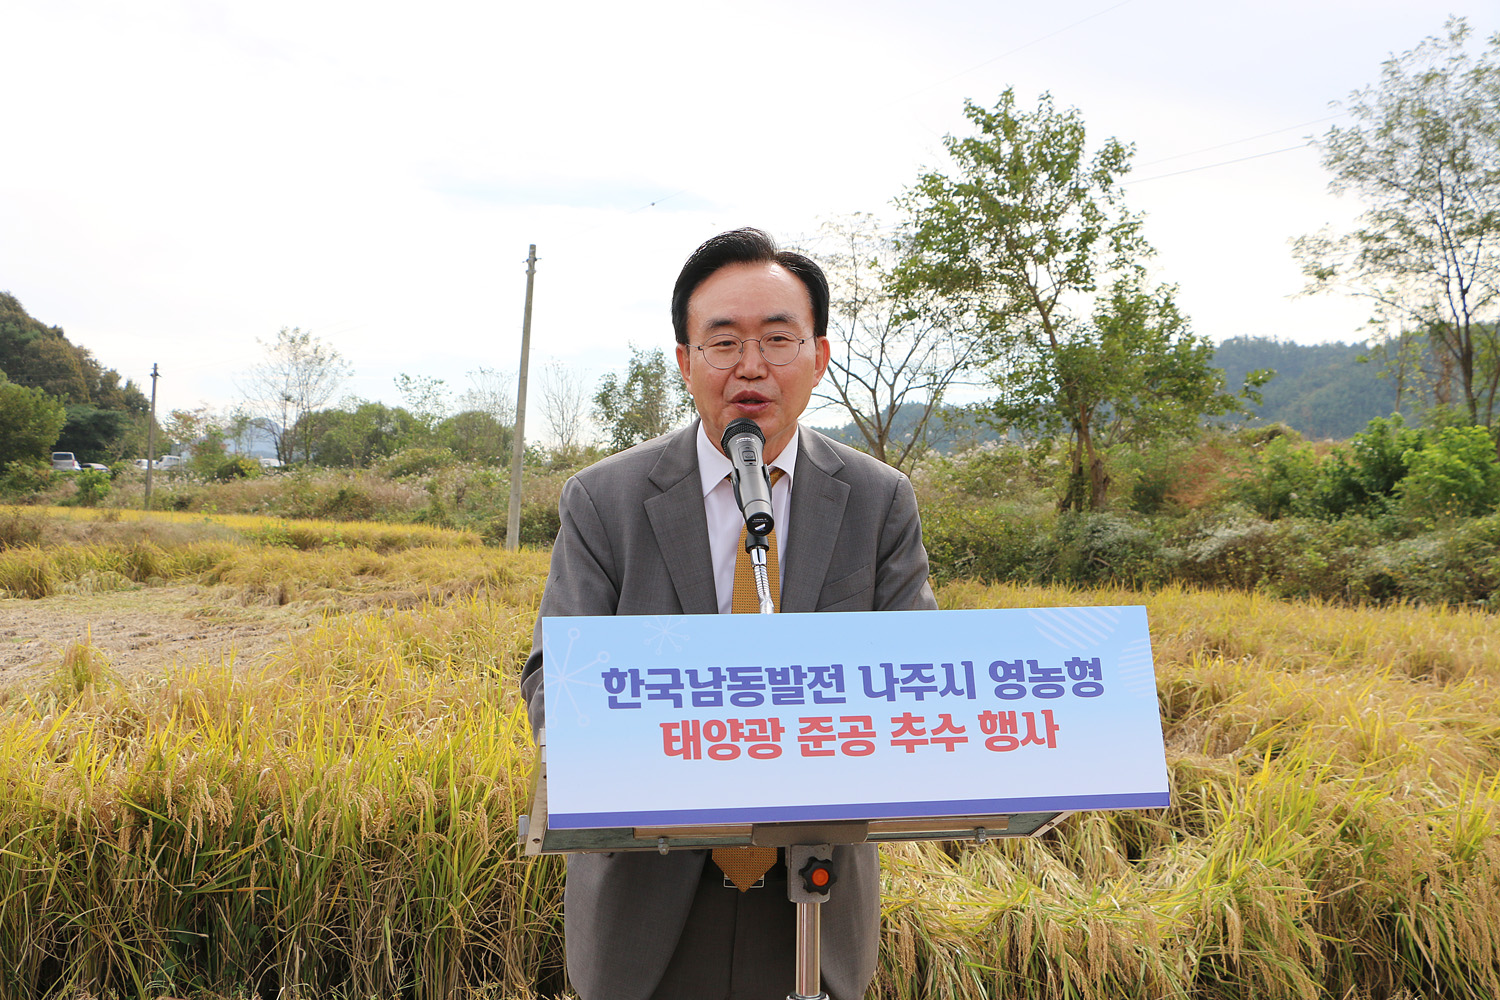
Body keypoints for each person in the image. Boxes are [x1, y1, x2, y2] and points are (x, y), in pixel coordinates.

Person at [521, 227, 937, 1000]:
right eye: (724, 342)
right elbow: (556, 673)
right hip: (646, 896)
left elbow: (918, 671)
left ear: (818, 355)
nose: (752, 365)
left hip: (813, 895)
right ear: (685, 361)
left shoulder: (879, 501)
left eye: (778, 339)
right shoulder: (605, 500)